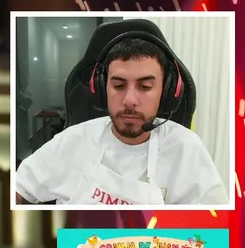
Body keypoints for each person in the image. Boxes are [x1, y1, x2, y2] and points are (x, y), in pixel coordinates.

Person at [14, 37, 226, 206]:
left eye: (144, 87)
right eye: (118, 86)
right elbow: (18, 188)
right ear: (102, 89)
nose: (129, 100)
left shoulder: (186, 148)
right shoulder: (72, 140)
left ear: (166, 92)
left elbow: (217, 231)